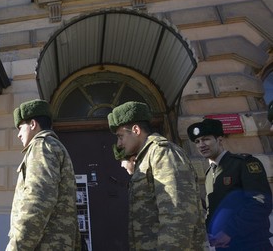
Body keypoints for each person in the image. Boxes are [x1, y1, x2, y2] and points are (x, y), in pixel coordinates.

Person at [108, 101, 207, 250]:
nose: (119, 143)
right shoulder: (147, 157)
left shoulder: (163, 153)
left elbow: (178, 213)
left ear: (135, 130)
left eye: (120, 136)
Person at [7, 99, 80, 250]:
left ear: (33, 124)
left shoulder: (42, 146)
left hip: (45, 244)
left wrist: (16, 247)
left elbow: (38, 201)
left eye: (20, 128)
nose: (19, 135)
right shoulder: (52, 145)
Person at [188, 118, 272, 250]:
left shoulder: (243, 163)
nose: (201, 145)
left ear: (220, 140)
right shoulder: (209, 174)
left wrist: (228, 231)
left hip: (251, 244)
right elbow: (212, 210)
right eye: (197, 142)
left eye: (206, 139)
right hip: (224, 246)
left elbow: (260, 203)